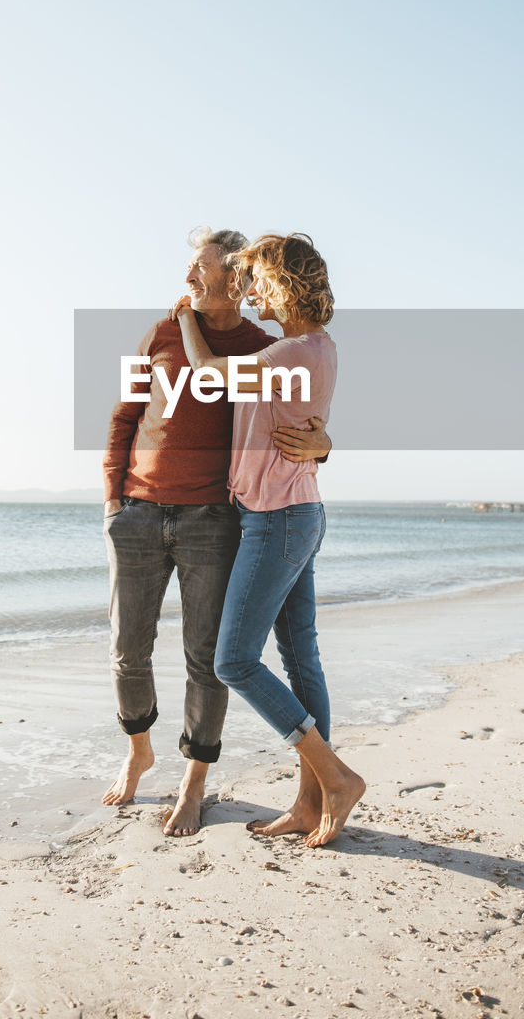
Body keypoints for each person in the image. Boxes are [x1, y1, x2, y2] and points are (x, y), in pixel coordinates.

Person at [102, 227, 332, 837]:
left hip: (215, 520)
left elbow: (299, 412)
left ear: (235, 277)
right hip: (139, 511)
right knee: (128, 651)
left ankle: (194, 782)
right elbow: (123, 416)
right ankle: (138, 751)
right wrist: (111, 502)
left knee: (210, 659)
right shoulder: (155, 333)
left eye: (199, 267)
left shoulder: (265, 344)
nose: (186, 279)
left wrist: (326, 444)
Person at [172, 233, 364, 848]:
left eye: (257, 280)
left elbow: (206, 375)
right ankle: (311, 801)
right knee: (301, 658)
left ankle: (334, 779)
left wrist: (184, 321)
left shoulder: (289, 354)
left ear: (280, 284)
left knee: (233, 660)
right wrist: (326, 444)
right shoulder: (318, 349)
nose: (250, 291)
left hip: (277, 519)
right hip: (296, 511)